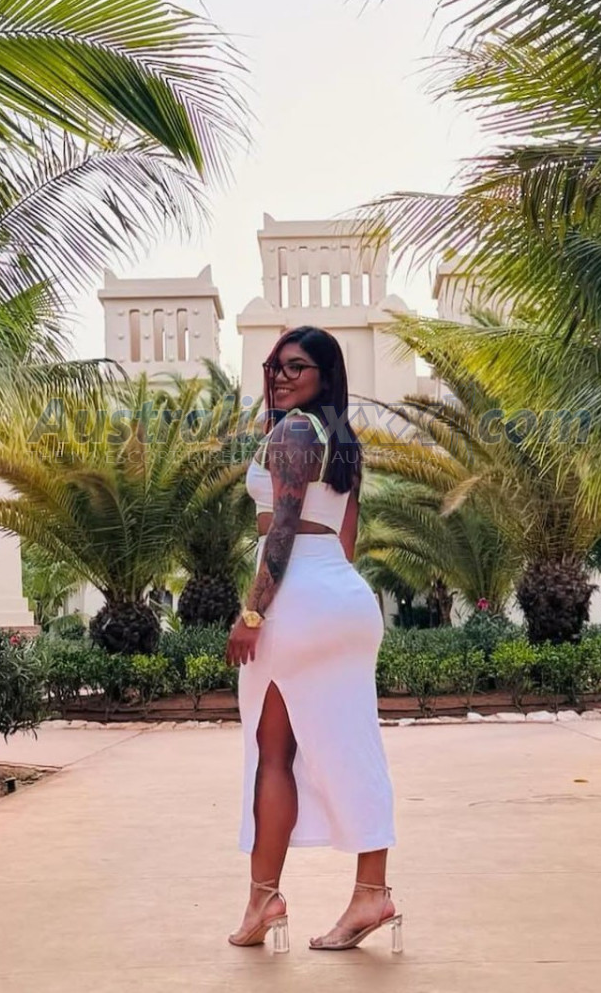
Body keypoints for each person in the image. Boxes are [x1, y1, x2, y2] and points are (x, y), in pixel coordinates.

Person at [225, 325, 401, 954]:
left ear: (324, 376)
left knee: (272, 753)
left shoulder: (295, 432)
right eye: (274, 366)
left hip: (297, 599)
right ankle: (371, 892)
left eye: (295, 367)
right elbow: (345, 537)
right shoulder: (341, 439)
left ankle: (263, 899)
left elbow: (282, 530)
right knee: (355, 746)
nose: (280, 376)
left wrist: (252, 615)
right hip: (344, 597)